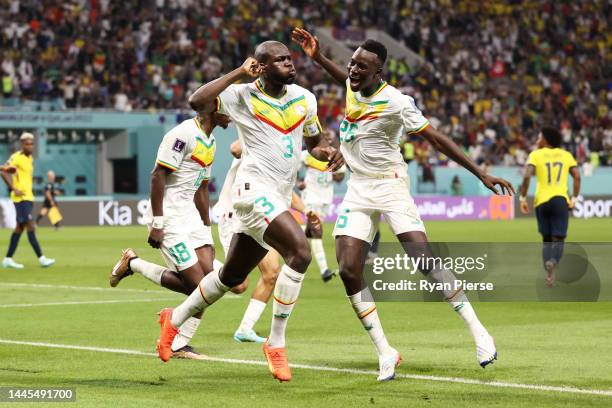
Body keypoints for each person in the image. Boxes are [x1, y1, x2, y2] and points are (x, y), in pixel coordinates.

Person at [292, 28, 514, 381]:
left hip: (391, 185)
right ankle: (385, 351)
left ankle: (479, 332)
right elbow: (343, 77)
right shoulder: (353, 85)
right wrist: (317, 58)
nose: (352, 71)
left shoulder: (396, 102)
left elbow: (437, 139)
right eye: (352, 64)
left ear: (378, 72)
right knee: (349, 269)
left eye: (362, 67)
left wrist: (481, 174)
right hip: (358, 188)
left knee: (423, 259)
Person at [155, 41, 343, 382]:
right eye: (281, 60)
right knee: (299, 253)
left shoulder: (305, 98)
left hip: (279, 197)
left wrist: (330, 151)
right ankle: (276, 343)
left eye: (290, 58)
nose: (290, 63)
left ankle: (175, 318)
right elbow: (197, 101)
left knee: (230, 277)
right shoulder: (241, 95)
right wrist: (239, 72)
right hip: (252, 191)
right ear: (262, 65)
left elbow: (316, 142)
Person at [109, 111, 238, 360]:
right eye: (228, 110)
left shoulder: (210, 141)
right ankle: (178, 342)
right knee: (198, 287)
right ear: (214, 108)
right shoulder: (182, 134)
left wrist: (205, 228)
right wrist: (158, 223)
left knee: (208, 284)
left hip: (192, 218)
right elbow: (158, 175)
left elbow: (201, 187)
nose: (232, 116)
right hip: (170, 219)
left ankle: (132, 264)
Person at [215, 140, 321, 343]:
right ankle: (203, 261)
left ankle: (245, 329)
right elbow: (235, 148)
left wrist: (306, 211)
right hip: (236, 213)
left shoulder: (287, 153)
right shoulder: (262, 134)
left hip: (261, 213)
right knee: (238, 285)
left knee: (272, 273)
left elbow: (285, 193)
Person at [519, 127, 580, 286]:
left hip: (541, 202)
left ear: (546, 139)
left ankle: (549, 275)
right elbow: (577, 176)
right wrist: (574, 198)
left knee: (546, 239)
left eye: (539, 137)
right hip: (560, 199)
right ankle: (553, 261)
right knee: (559, 237)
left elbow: (526, 176)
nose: (537, 140)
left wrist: (523, 198)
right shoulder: (566, 155)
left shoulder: (535, 155)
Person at [1, 133, 55, 269]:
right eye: (27, 143)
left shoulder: (30, 158)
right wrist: (13, 188)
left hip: (28, 198)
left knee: (19, 228)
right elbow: (3, 171)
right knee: (30, 225)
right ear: (22, 144)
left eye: (31, 143)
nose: (30, 145)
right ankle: (42, 259)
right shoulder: (16, 157)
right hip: (21, 198)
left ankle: (7, 259)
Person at [298, 130, 346, 282]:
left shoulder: (335, 156)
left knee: (310, 233)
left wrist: (333, 168)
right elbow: (293, 169)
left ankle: (289, 242)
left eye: (330, 139)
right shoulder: (306, 155)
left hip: (325, 198)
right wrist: (298, 182)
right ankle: (325, 270)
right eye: (325, 138)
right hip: (310, 195)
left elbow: (340, 178)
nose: (327, 141)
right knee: (316, 230)